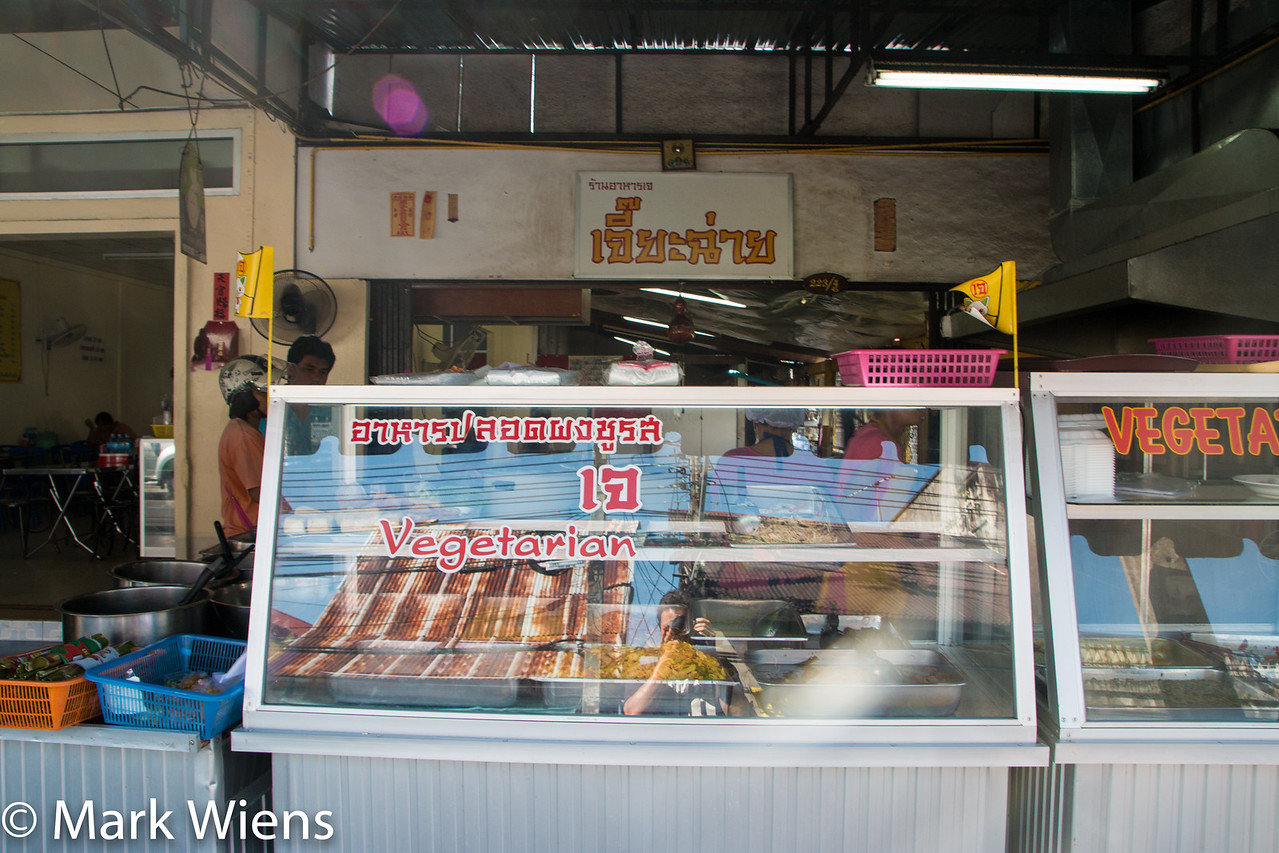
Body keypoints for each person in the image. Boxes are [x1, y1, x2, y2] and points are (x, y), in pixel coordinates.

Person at [623, 590, 717, 716]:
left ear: (692, 626)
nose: (673, 633)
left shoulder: (710, 664)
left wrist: (712, 653)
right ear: (659, 629)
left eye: (680, 627)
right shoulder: (646, 668)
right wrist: (667, 661)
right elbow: (633, 711)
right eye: (667, 628)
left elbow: (738, 712)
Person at [219, 385, 269, 538]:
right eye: (261, 393)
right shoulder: (244, 437)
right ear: (246, 397)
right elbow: (259, 492)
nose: (268, 397)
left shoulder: (242, 430)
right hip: (249, 530)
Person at [283, 335, 335, 454]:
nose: (316, 378)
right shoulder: (272, 405)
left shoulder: (330, 410)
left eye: (323, 372)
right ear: (291, 369)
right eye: (309, 370)